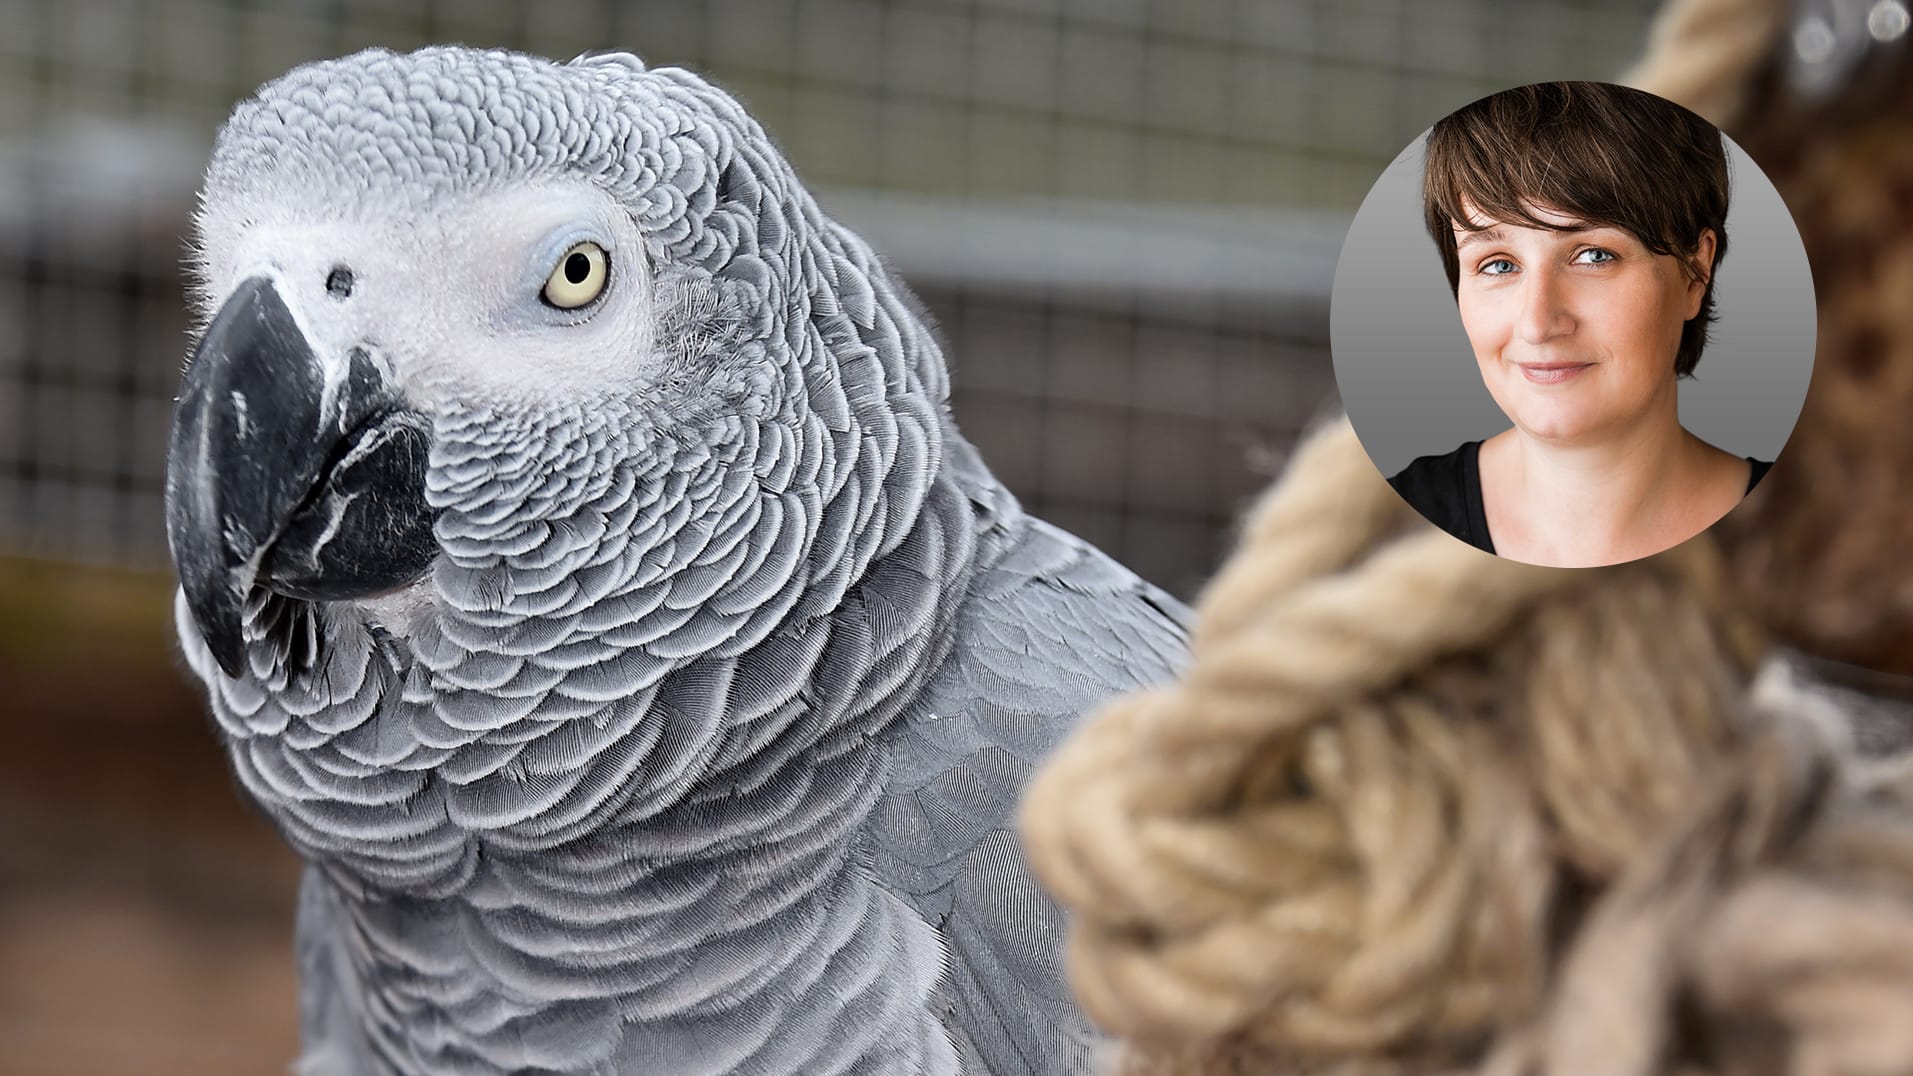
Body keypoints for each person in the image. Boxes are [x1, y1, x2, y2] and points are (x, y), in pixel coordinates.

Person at [1388, 81, 1770, 568]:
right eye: (1499, 264)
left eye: (1593, 255)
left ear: (1696, 272)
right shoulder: (1381, 537)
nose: (1537, 323)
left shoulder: (1814, 540)